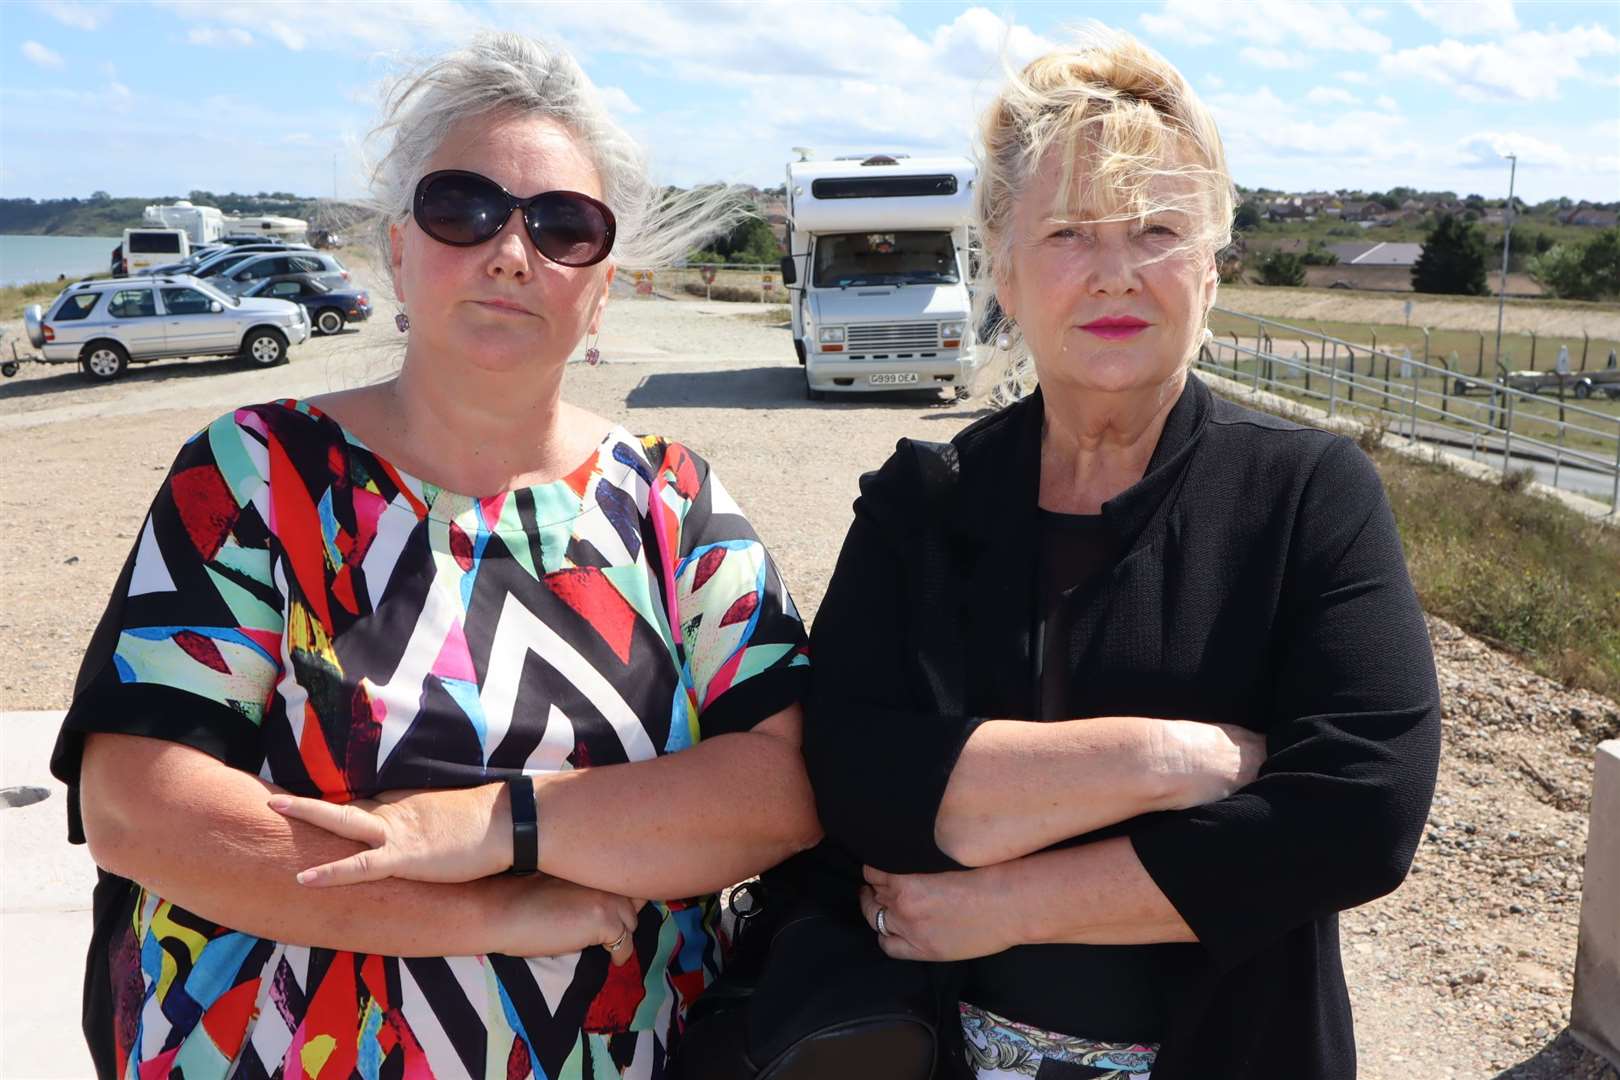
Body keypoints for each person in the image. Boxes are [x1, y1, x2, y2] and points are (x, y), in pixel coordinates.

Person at [51, 33, 818, 1080]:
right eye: (464, 208)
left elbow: (785, 788)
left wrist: (491, 827)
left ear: (601, 292)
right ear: (398, 250)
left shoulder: (673, 502)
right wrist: (486, 913)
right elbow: (141, 809)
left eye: (564, 227)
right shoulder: (256, 476)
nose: (512, 250)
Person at [803, 28, 1441, 1080]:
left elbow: (1359, 814)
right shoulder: (922, 503)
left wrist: (1002, 903)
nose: (1115, 275)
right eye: (1067, 233)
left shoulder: (1308, 494)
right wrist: (1176, 762)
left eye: (1156, 230)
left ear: (1210, 264)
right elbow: (854, 779)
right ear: (1002, 266)